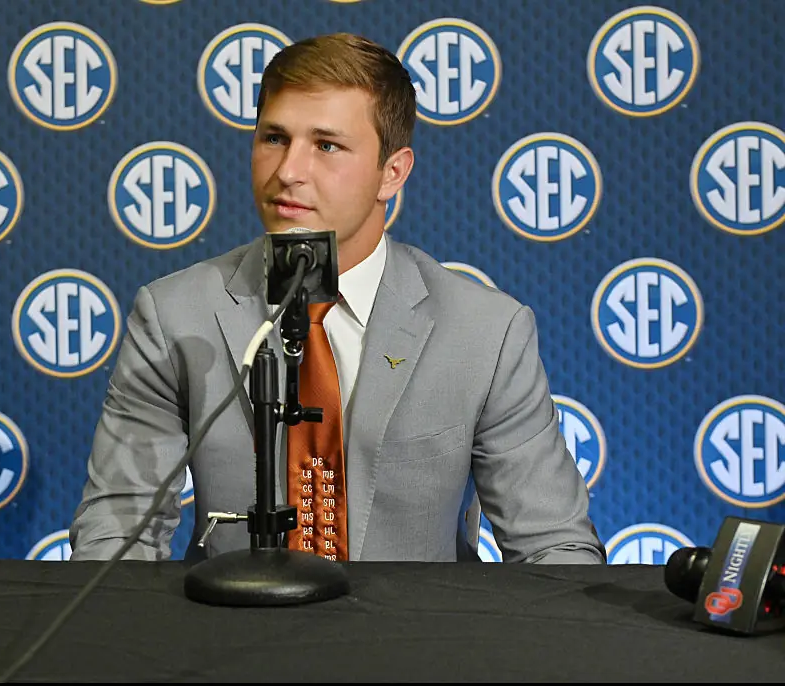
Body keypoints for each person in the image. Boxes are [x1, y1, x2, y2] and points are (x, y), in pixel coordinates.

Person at [69, 33, 606, 564]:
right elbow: (116, 535)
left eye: (326, 145)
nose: (288, 172)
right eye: (274, 138)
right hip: (229, 619)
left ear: (392, 173)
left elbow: (554, 547)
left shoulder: (486, 333)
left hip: (419, 622)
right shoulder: (174, 316)